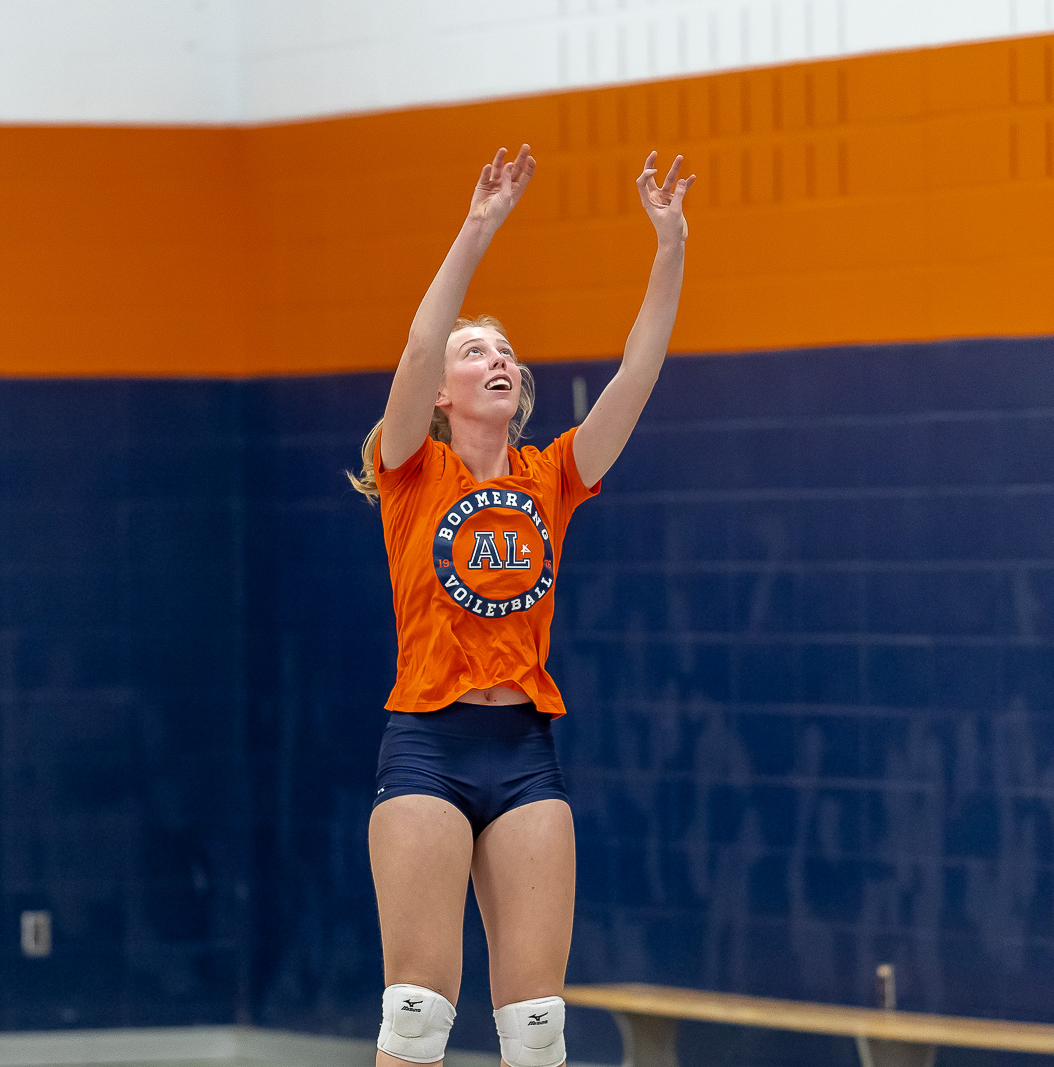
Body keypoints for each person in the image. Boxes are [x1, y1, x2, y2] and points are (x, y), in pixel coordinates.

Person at [347, 142, 693, 1067]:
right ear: (443, 394)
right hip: (428, 740)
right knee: (418, 1016)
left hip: (525, 751)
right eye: (475, 352)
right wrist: (479, 226)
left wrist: (669, 249)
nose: (493, 359)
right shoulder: (412, 471)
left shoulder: (553, 477)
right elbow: (420, 343)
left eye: (504, 351)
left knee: (538, 1033)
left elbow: (639, 376)